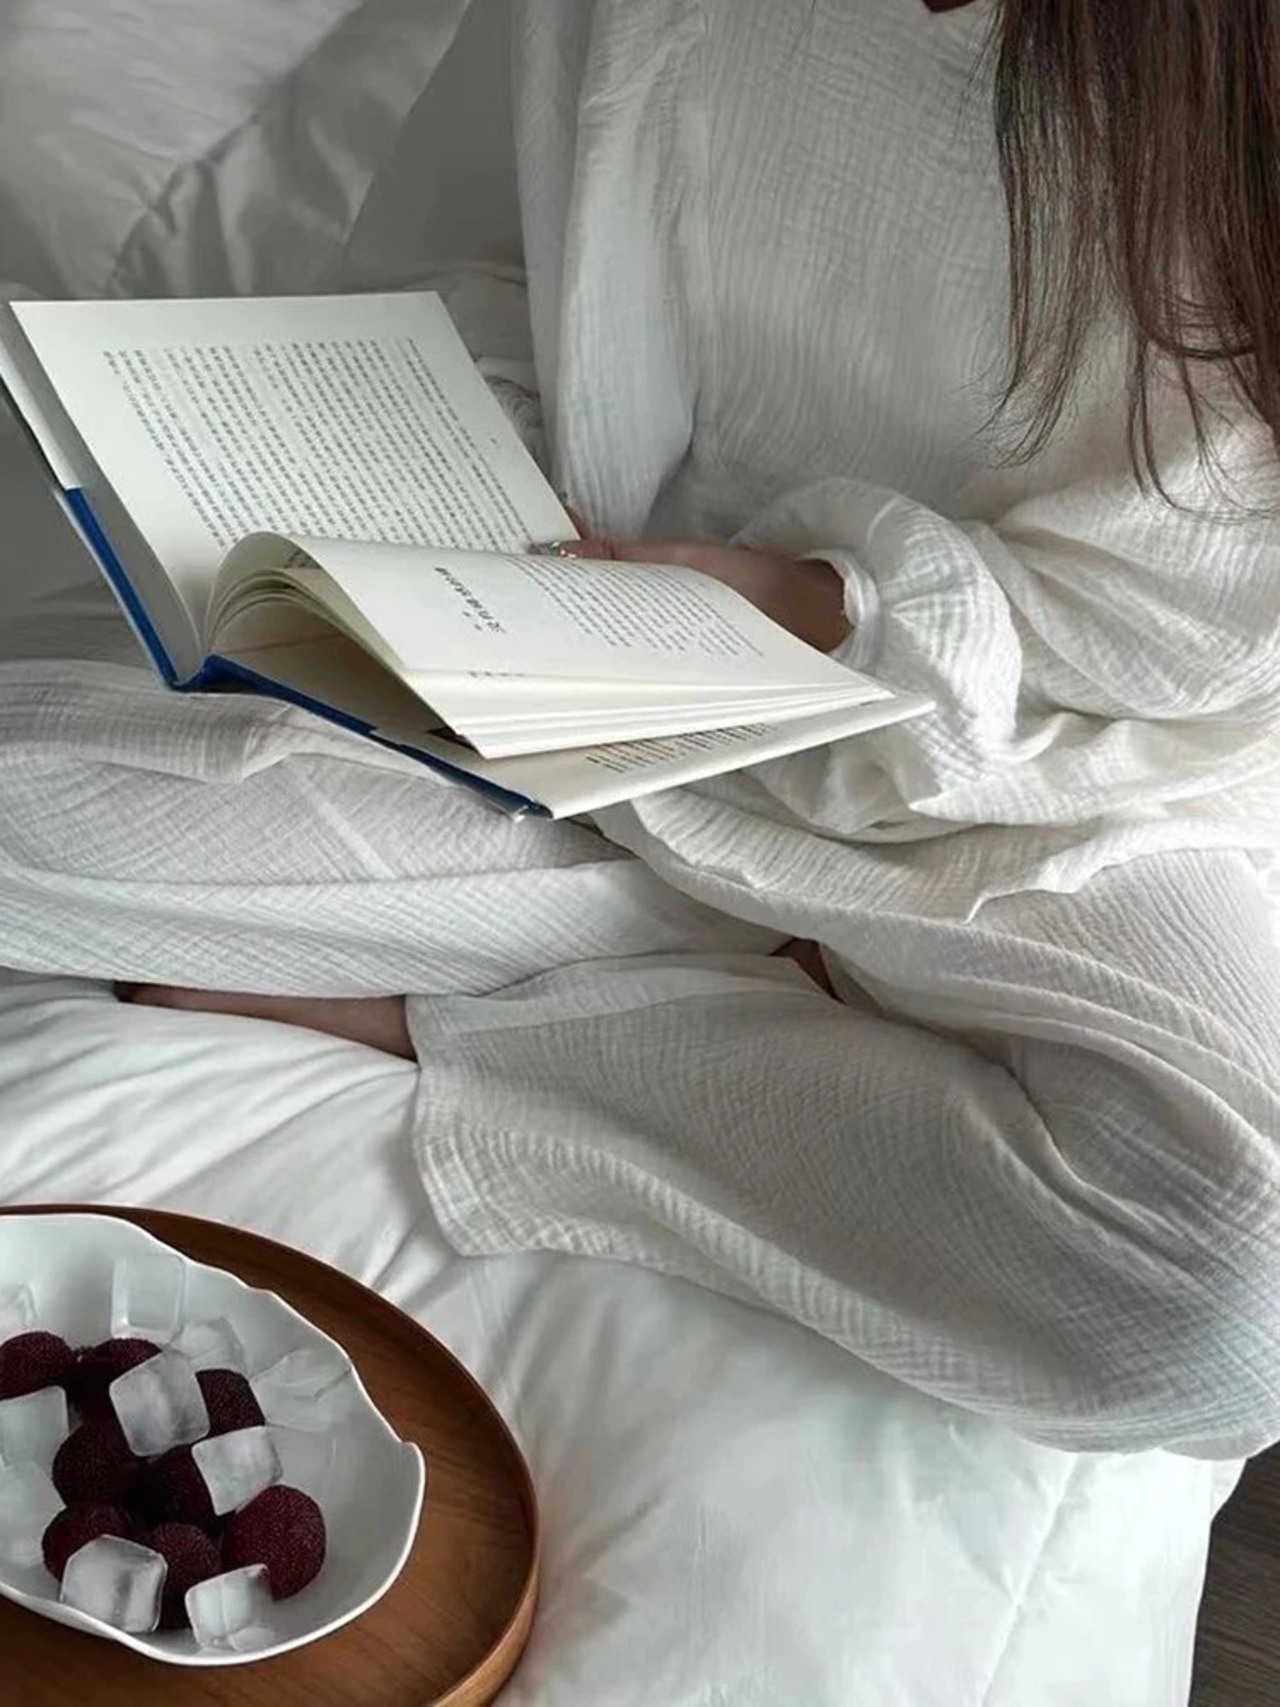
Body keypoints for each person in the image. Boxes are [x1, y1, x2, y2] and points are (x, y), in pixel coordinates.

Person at [3, 0, 1280, 1458]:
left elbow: (1214, 618)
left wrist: (813, 603)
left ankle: (471, 1017)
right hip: (583, 678)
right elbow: (483, 263)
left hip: (1041, 779)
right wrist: (466, 480)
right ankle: (760, 959)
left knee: (1230, 1278)